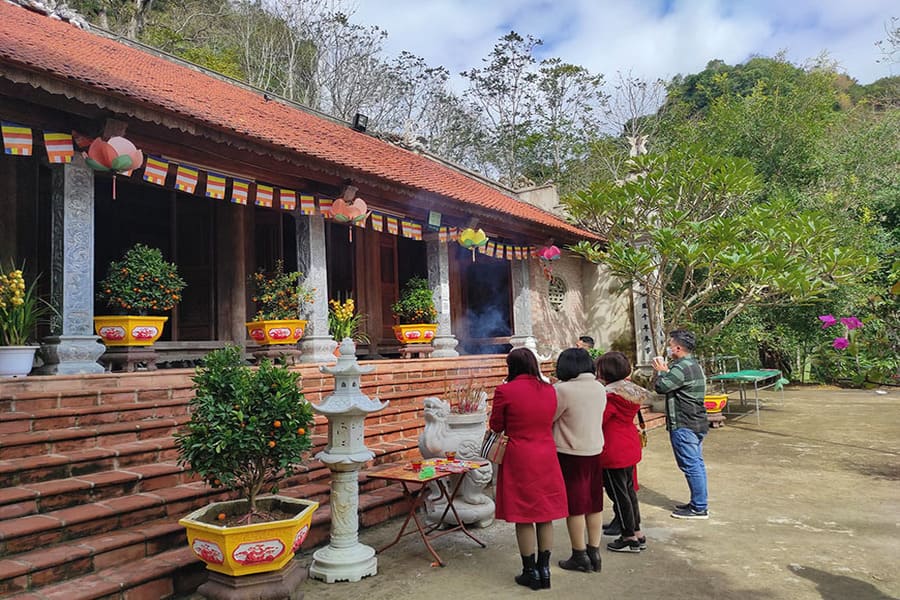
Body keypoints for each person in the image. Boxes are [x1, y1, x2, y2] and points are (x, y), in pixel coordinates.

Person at [490, 348, 568, 590]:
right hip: (546, 453)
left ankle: (530, 572)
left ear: (510, 366)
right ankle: (545, 571)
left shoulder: (505, 390)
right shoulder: (549, 390)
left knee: (523, 515)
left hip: (519, 456)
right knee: (544, 513)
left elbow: (496, 425)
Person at [552, 348, 606, 573]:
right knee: (594, 505)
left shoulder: (561, 390)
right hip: (594, 450)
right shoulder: (599, 387)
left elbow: (550, 417)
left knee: (575, 507)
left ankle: (579, 554)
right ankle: (595, 552)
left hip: (569, 454)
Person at [597, 351, 653, 552]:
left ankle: (628, 536)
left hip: (614, 449)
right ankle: (637, 532)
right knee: (629, 492)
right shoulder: (630, 391)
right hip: (628, 444)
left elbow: (600, 420)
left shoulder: (610, 396)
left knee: (618, 494)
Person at [652, 329, 710, 519]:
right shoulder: (693, 365)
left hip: (684, 423)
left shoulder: (681, 367)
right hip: (697, 421)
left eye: (670, 346)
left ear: (677, 348)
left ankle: (699, 507)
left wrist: (660, 372)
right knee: (697, 463)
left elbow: (662, 387)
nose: (668, 349)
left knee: (691, 465)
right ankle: (697, 502)